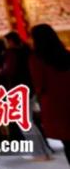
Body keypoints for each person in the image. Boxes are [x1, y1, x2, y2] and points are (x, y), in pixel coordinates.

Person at [29, 24, 70, 164]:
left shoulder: (36, 59)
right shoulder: (66, 54)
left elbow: (39, 85)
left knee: (67, 143)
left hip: (54, 105)